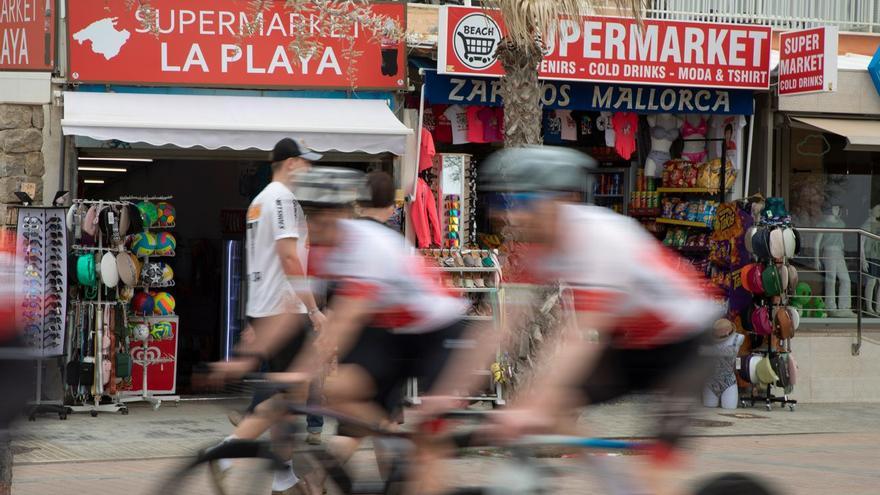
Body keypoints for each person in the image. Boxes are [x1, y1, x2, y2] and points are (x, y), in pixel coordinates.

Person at [481, 146, 719, 495]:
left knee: (656, 474)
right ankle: (616, 487)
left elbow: (578, 336)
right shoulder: (541, 244)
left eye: (523, 202)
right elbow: (502, 326)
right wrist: (443, 395)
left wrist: (529, 407)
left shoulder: (599, 237)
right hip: (632, 343)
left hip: (684, 344)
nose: (513, 216)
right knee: (556, 408)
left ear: (561, 200)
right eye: (506, 204)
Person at [287, 167, 494, 495]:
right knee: (341, 392)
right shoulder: (327, 249)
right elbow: (294, 310)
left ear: (342, 215)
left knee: (426, 452)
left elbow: (345, 320)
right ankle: (392, 444)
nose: (313, 227)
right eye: (309, 219)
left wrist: (300, 373)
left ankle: (414, 467)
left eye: (321, 219)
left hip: (440, 330)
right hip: (395, 333)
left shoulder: (366, 244)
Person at [212, 138, 326, 495]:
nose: (309, 169)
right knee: (285, 396)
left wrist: (252, 317)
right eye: (306, 163)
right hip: (285, 310)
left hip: (268, 308)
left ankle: (283, 474)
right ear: (290, 163)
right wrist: (314, 309)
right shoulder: (282, 199)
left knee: (289, 396)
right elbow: (289, 258)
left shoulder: (259, 201)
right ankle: (227, 454)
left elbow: (260, 261)